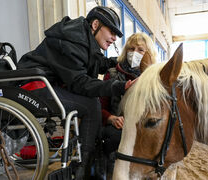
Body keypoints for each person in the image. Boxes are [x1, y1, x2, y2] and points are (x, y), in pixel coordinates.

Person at [17, 6, 134, 179]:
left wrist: (117, 62)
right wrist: (118, 86)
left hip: (48, 84)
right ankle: (84, 166)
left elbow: (94, 63)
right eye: (111, 31)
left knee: (91, 102)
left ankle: (89, 161)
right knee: (91, 103)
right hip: (34, 87)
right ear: (96, 25)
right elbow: (80, 83)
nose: (114, 38)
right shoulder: (72, 41)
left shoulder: (81, 38)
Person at [100, 32, 157, 177]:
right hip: (117, 127)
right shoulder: (112, 74)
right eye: (131, 49)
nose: (134, 53)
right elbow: (100, 107)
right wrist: (111, 118)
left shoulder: (154, 79)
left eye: (140, 50)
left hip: (143, 128)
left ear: (148, 54)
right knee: (115, 139)